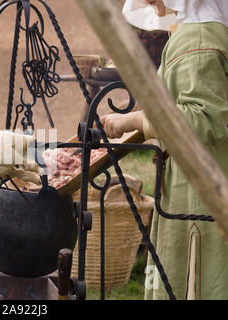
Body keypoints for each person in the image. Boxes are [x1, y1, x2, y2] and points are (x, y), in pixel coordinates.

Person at [100, 0, 228, 299]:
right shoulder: (195, 32)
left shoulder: (197, 38)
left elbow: (203, 121)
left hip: (198, 195)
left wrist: (135, 120)